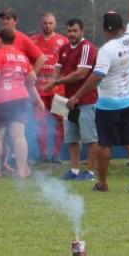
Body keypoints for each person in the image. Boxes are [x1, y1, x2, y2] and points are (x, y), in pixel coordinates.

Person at [67, 0, 129, 193]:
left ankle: (103, 183)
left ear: (105, 30)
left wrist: (77, 95)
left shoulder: (106, 51)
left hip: (110, 103)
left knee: (105, 144)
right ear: (122, 27)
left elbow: (96, 76)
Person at [0, 28, 41, 178]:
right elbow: (32, 79)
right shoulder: (22, 56)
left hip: (1, 99)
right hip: (21, 98)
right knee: (18, 135)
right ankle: (21, 170)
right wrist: (35, 98)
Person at [51, 19, 98, 181]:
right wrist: (54, 78)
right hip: (68, 101)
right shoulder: (63, 48)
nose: (71, 34)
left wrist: (57, 82)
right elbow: (57, 67)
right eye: (69, 31)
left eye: (75, 31)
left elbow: (81, 73)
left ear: (82, 31)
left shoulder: (87, 47)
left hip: (86, 100)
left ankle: (91, 172)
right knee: (71, 137)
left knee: (90, 138)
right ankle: (74, 169)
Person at [31, 13, 67, 164]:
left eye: (50, 23)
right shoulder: (33, 41)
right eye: (45, 23)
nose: (48, 26)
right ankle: (43, 154)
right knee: (40, 122)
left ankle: (56, 154)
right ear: (41, 24)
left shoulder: (63, 41)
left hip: (59, 89)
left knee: (59, 122)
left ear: (55, 24)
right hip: (39, 90)